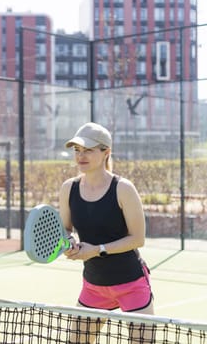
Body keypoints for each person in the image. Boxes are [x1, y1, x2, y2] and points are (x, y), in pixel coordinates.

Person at [59, 122, 154, 343]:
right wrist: (69, 244)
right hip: (93, 285)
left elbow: (138, 239)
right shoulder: (68, 188)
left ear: (106, 153)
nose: (81, 156)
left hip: (131, 283)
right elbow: (66, 229)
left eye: (88, 150)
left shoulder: (124, 189)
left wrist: (96, 250)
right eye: (77, 150)